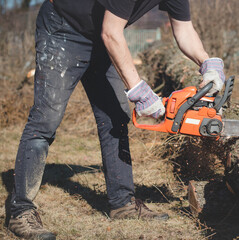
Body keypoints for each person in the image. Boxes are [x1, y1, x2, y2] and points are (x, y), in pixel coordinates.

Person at [8, 0, 225, 239]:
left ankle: (123, 203)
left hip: (101, 37)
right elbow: (111, 32)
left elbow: (183, 29)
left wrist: (207, 63)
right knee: (45, 120)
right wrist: (139, 90)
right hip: (63, 29)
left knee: (116, 117)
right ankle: (20, 211)